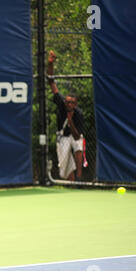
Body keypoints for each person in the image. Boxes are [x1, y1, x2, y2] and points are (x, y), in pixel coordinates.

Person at [47, 50, 84, 181]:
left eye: (71, 103)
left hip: (73, 135)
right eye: (67, 102)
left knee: (79, 143)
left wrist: (71, 121)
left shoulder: (78, 114)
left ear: (75, 104)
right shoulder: (62, 104)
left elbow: (76, 136)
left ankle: (79, 176)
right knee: (65, 168)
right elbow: (51, 82)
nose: (68, 104)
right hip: (62, 138)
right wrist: (50, 64)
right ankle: (72, 183)